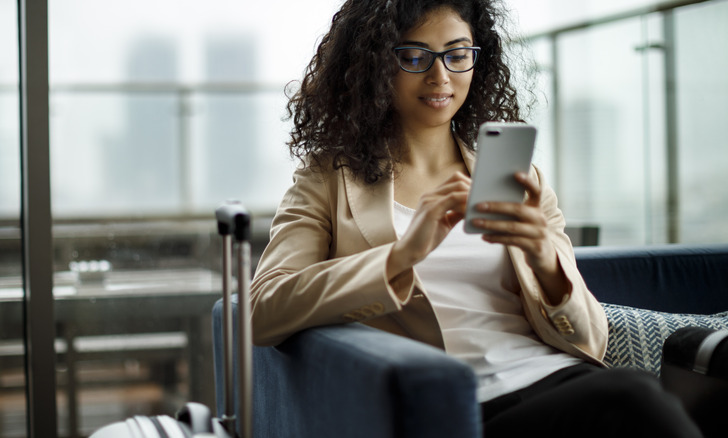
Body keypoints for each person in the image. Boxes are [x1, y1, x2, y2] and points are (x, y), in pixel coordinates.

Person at [251, 0, 702, 436]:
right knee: (633, 397)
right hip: (462, 406)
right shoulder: (327, 180)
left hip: (560, 381)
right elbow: (263, 310)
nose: (439, 76)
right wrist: (402, 255)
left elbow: (591, 341)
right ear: (374, 65)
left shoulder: (518, 177)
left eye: (457, 54)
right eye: (413, 55)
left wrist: (548, 264)